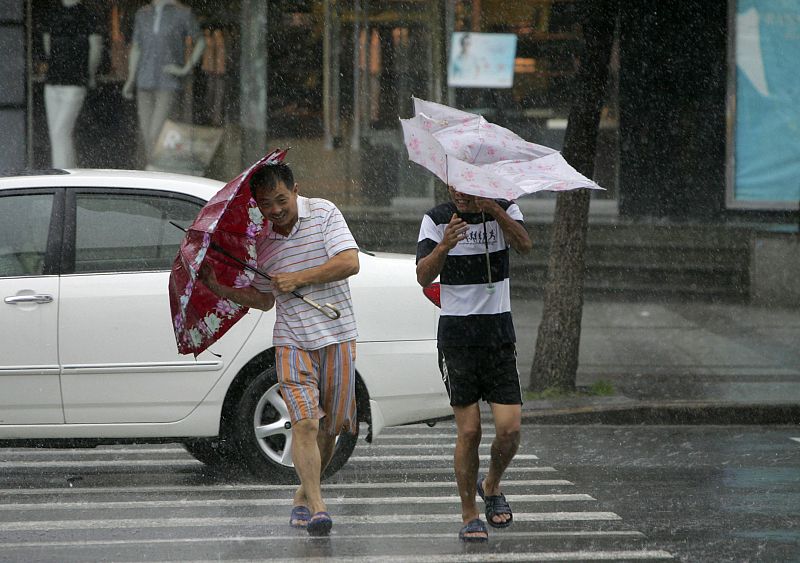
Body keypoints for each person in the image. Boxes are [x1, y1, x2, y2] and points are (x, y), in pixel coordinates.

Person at [199, 160, 360, 537]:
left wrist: (299, 278)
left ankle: (303, 494)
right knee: (304, 423)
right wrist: (219, 287)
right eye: (265, 203)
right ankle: (319, 508)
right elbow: (264, 299)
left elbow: (349, 262)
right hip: (291, 340)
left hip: (337, 336)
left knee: (331, 429)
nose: (274, 210)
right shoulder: (261, 240)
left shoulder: (324, 213)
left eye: (280, 200)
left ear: (295, 190)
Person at [415, 185, 532, 543]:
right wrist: (444, 246)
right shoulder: (436, 219)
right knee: (469, 431)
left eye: (469, 187)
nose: (461, 194)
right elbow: (422, 276)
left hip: (498, 336)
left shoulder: (506, 209)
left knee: (510, 429)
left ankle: (492, 483)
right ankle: (469, 514)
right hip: (457, 339)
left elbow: (525, 245)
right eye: (455, 186)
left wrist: (493, 211)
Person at [122, 0, 205, 164]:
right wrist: (131, 79)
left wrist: (185, 68)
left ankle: (157, 173)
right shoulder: (143, 14)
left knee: (157, 133)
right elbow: (137, 47)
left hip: (168, 82)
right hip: (144, 81)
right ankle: (154, 172)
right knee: (146, 135)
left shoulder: (183, 13)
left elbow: (200, 42)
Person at [41, 0, 103, 168]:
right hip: (57, 80)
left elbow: (96, 47)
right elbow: (95, 47)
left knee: (60, 132)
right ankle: (69, 174)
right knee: (60, 134)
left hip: (72, 82)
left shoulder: (88, 14)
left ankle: (60, 176)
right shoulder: (54, 12)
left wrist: (88, 74)